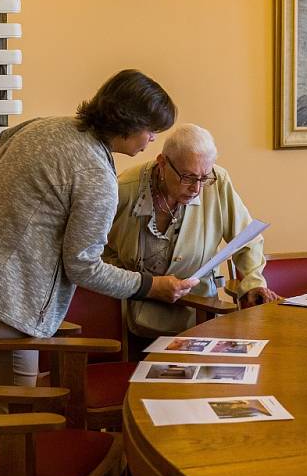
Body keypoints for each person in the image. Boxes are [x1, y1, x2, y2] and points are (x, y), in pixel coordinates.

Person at [0, 69, 198, 415]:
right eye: (150, 130)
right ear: (128, 122)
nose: (151, 140)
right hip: (2, 302)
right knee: (13, 423)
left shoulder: (40, 126)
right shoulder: (96, 175)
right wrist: (151, 286)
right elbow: (83, 266)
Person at [104, 124, 278, 349]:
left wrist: (253, 283)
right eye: (188, 177)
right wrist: (140, 282)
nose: (196, 188)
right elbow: (96, 251)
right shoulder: (124, 188)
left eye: (203, 178)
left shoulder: (218, 180)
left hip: (202, 314)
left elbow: (246, 239)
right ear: (162, 163)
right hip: (137, 315)